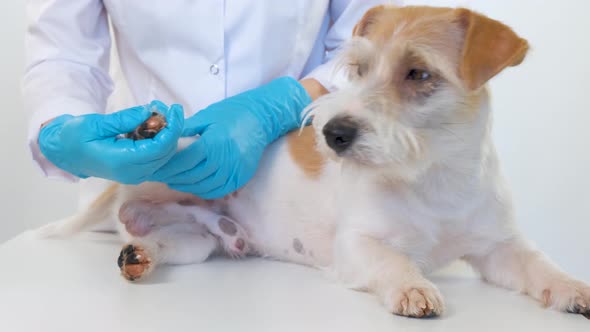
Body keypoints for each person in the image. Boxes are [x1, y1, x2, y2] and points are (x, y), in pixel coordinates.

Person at [24, 0, 391, 206]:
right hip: (146, 198)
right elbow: (63, 51)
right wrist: (60, 126)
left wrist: (280, 106)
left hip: (305, 193)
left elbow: (379, 44)